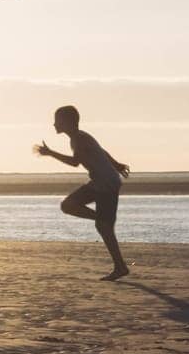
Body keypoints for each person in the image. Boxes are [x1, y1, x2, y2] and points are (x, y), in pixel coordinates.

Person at [34, 105, 132, 280]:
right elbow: (102, 152)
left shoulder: (79, 138)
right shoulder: (80, 137)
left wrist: (50, 153)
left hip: (105, 184)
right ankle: (120, 265)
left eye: (57, 120)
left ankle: (120, 265)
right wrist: (116, 165)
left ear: (67, 122)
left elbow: (74, 162)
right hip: (104, 182)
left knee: (73, 208)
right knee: (95, 221)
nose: (54, 124)